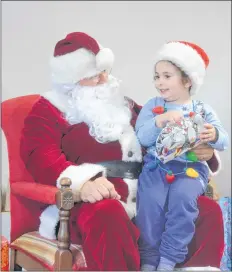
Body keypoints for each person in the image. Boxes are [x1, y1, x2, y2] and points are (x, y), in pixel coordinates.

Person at [20, 33, 224, 271]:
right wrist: (82, 184)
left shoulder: (124, 104)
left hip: (148, 194)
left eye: (104, 71)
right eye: (93, 76)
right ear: (70, 80)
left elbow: (161, 138)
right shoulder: (48, 109)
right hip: (91, 204)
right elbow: (39, 154)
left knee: (207, 211)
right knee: (109, 214)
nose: (103, 79)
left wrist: (203, 152)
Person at [135, 41, 229, 271]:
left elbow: (224, 139)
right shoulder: (153, 106)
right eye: (157, 76)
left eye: (167, 76)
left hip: (190, 170)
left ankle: (168, 260)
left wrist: (213, 133)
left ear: (187, 80)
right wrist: (159, 120)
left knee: (183, 204)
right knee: (149, 206)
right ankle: (148, 260)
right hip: (156, 168)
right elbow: (142, 136)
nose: (159, 82)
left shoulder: (202, 110)